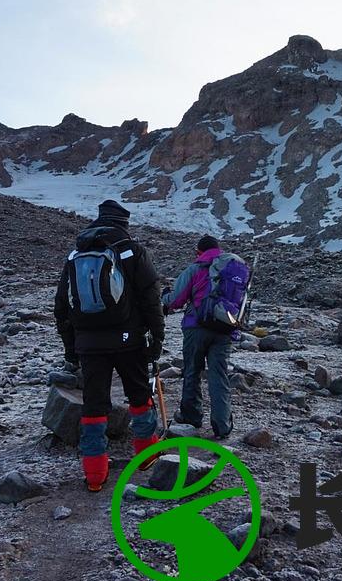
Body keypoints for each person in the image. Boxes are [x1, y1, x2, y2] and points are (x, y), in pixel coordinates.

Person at [53, 200, 165, 491]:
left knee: (93, 404)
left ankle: (95, 474)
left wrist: (71, 348)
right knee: (139, 395)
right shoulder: (132, 250)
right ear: (123, 223)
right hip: (129, 340)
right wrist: (157, 337)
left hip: (88, 344)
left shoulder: (77, 253)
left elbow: (62, 306)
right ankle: (147, 455)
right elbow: (151, 299)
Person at [161, 235, 241, 439]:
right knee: (218, 374)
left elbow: (177, 300)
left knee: (192, 371)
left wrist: (165, 297)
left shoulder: (195, 269)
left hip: (195, 327)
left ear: (199, 252)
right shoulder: (230, 269)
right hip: (224, 328)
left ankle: (191, 416)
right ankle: (222, 425)